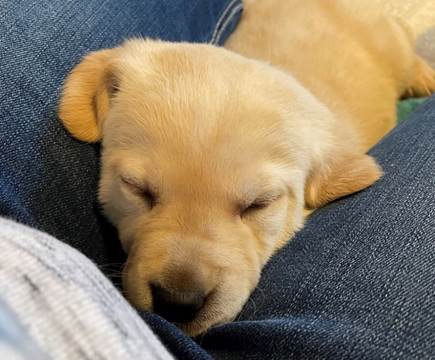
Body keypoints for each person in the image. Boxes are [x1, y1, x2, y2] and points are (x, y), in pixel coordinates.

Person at [1, 0, 434, 358]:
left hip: (365, 32)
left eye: (255, 204)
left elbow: (360, 170)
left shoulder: (323, 150)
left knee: (392, 47)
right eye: (142, 189)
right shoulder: (124, 79)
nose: (180, 288)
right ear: (104, 95)